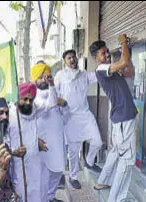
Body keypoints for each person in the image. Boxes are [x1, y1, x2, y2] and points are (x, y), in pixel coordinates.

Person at [89, 34, 138, 202]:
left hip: (122, 119)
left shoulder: (111, 70)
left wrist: (125, 49)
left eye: (107, 51)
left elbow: (129, 69)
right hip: (124, 119)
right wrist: (124, 42)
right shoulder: (101, 69)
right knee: (127, 161)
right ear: (97, 58)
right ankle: (116, 199)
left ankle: (102, 181)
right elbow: (124, 62)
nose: (107, 55)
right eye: (103, 53)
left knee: (117, 152)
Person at [54, 49, 103, 189]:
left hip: (85, 115)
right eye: (69, 58)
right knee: (73, 151)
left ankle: (89, 161)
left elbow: (99, 76)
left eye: (74, 57)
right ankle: (73, 177)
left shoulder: (84, 75)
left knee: (97, 141)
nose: (72, 60)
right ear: (65, 61)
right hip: (69, 117)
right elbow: (53, 94)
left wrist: (101, 63)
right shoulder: (60, 76)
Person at [7, 81, 57, 202]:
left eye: (31, 99)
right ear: (18, 97)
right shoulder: (9, 114)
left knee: (39, 193)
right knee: (22, 195)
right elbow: (3, 141)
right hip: (19, 165)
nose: (28, 103)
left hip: (36, 162)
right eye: (25, 99)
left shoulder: (34, 108)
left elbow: (52, 104)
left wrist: (51, 86)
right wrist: (13, 151)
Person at [31, 63, 67, 202]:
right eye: (40, 77)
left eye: (46, 76)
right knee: (44, 174)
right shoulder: (34, 98)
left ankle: (50, 197)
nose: (44, 80)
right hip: (44, 142)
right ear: (35, 80)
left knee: (58, 170)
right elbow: (51, 103)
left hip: (57, 140)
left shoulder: (55, 93)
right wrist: (52, 86)